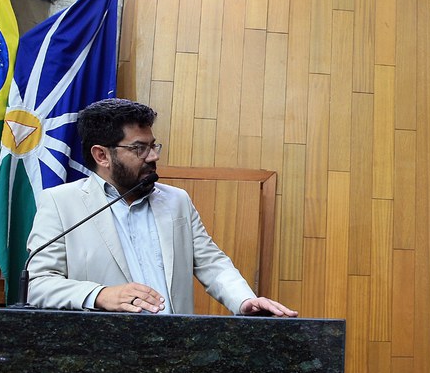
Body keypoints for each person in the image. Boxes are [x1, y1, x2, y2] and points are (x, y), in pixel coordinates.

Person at [27, 98, 298, 317]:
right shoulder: (61, 203)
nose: (153, 156)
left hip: (175, 352)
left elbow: (212, 263)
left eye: (153, 146)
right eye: (139, 148)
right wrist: (99, 294)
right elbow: (37, 284)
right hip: (103, 356)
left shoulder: (177, 201)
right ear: (102, 155)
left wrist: (244, 300)